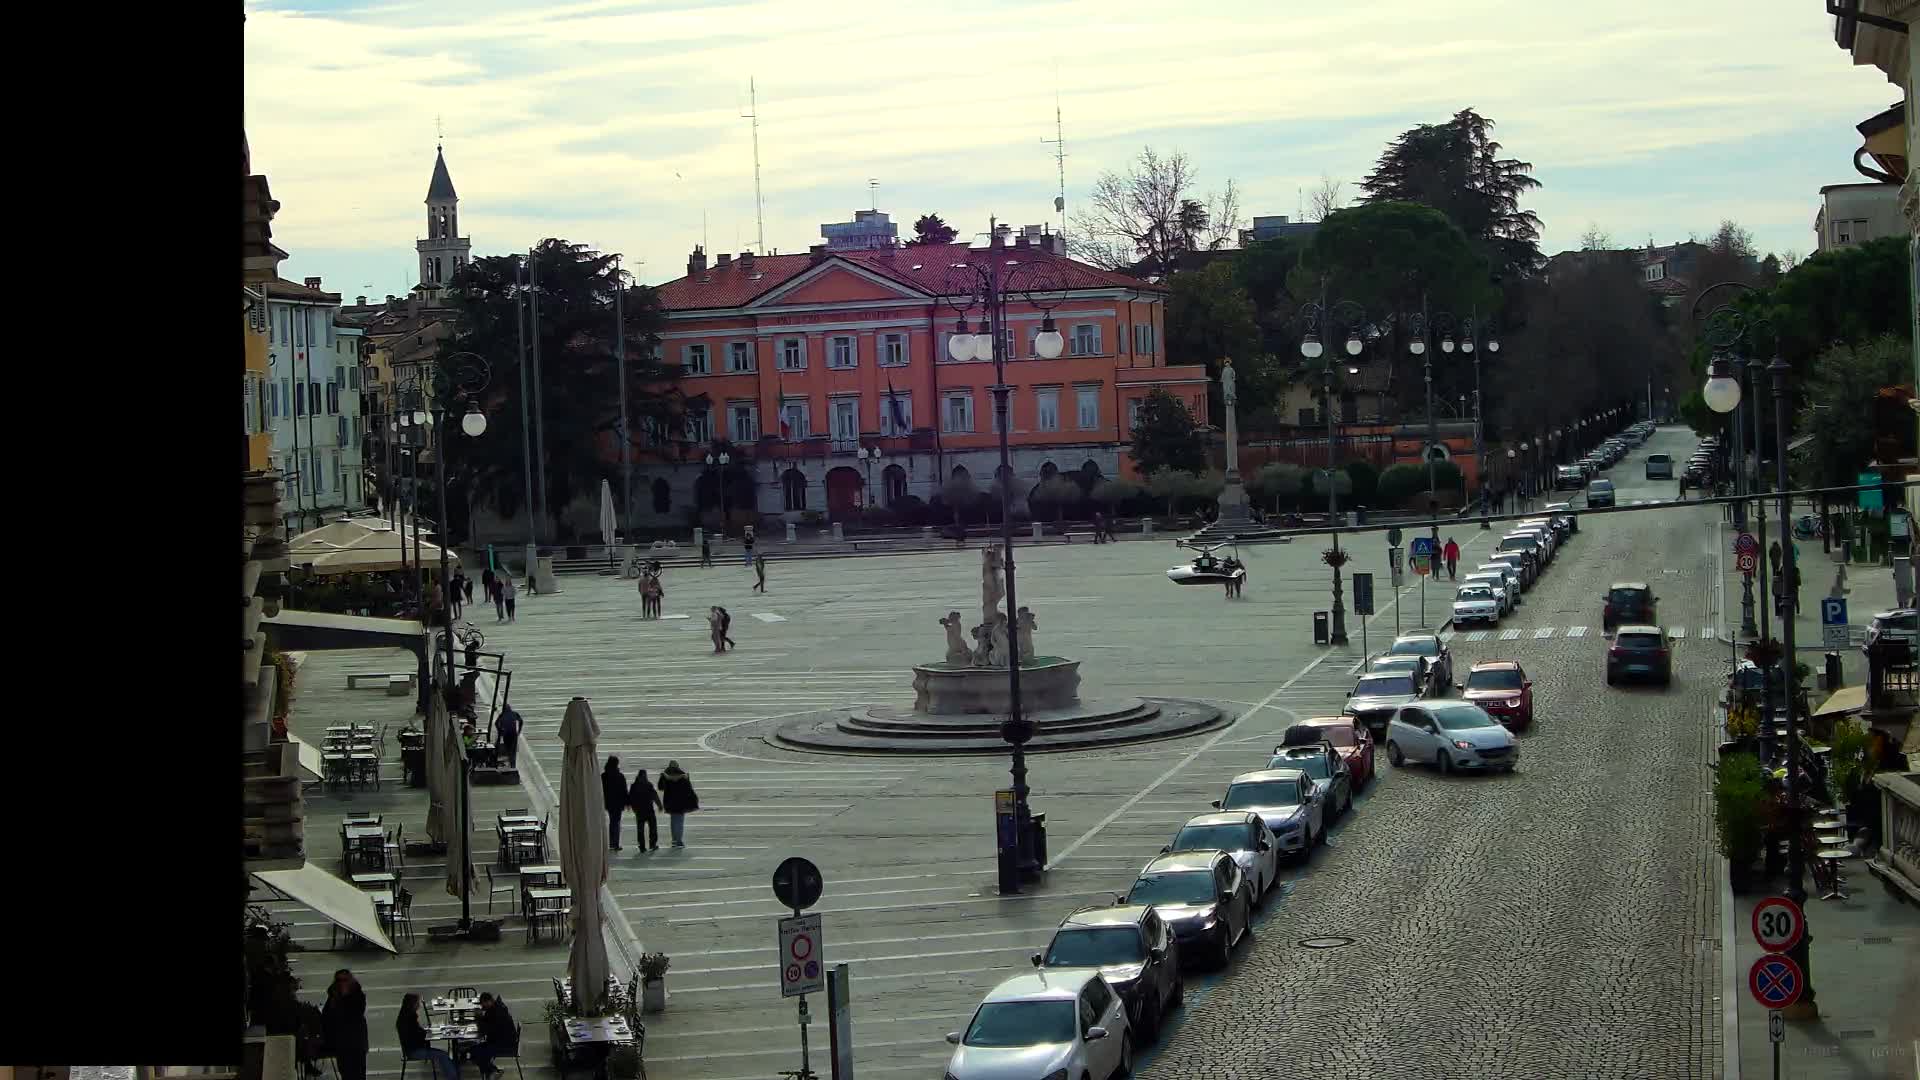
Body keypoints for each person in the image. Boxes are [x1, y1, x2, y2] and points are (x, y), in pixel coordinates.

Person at [397, 993, 458, 1080]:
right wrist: (427, 1033)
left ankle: (452, 1076)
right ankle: (453, 1078)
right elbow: (417, 1035)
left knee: (443, 1055)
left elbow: (417, 1032)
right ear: (413, 1004)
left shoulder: (404, 1016)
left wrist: (425, 1031)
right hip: (414, 1051)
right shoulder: (409, 1019)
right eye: (417, 1003)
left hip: (412, 1049)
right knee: (443, 1055)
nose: (419, 1005)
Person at [322, 969, 368, 1080]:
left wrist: (344, 998)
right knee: (345, 1073)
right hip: (341, 1043)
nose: (342, 983)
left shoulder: (358, 995)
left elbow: (356, 1013)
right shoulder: (333, 996)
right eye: (339, 980)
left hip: (357, 1042)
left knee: (359, 1073)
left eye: (345, 980)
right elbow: (326, 1016)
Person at [468, 993, 518, 1079]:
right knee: (474, 1050)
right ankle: (492, 1071)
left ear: (488, 1002)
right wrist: (481, 1018)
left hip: (504, 1044)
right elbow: (487, 1024)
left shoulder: (496, 1012)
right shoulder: (495, 1008)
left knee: (476, 1052)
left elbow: (484, 1031)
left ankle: (491, 1072)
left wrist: (478, 1017)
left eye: (482, 1004)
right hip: (502, 1040)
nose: (482, 1007)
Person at [659, 760, 699, 848]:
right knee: (680, 822)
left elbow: (660, 787)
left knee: (673, 822)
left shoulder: (665, 775)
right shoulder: (684, 776)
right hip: (681, 803)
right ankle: (679, 841)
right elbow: (689, 789)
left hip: (670, 802)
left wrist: (662, 777)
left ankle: (674, 840)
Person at [631, 766, 662, 851]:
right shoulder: (648, 785)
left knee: (640, 829)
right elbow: (654, 796)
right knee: (653, 828)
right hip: (649, 809)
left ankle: (642, 846)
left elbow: (631, 798)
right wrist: (659, 805)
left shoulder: (634, 786)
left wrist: (633, 807)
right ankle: (652, 844)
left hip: (639, 811)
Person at [603, 755, 629, 851]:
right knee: (616, 822)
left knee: (612, 822)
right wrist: (627, 802)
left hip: (608, 802)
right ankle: (615, 843)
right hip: (618, 803)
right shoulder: (620, 776)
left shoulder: (604, 776)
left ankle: (611, 842)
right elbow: (624, 790)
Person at [495, 698, 522, 769]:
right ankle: (513, 766)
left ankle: (510, 762)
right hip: (513, 734)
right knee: (513, 750)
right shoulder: (515, 714)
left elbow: (496, 723)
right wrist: (519, 731)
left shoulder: (502, 714)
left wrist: (500, 731)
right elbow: (521, 721)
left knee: (507, 749)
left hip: (506, 734)